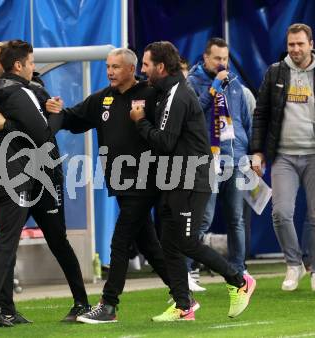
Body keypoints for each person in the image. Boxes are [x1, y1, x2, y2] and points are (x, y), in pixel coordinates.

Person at [47, 47, 188, 324]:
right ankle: (183, 297)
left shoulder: (152, 95)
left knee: (120, 241)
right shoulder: (103, 99)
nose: (110, 71)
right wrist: (55, 114)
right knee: (148, 245)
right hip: (120, 183)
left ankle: (109, 304)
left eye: (116, 67)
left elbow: (170, 132)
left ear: (131, 69)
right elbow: (73, 118)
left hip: (146, 179)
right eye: (108, 66)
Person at [0, 40, 90, 327]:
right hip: (18, 176)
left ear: (8, 63)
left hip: (41, 177)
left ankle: (81, 302)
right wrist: (21, 125)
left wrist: (11, 125)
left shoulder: (33, 90)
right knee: (6, 240)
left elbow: (43, 132)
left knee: (54, 240)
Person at [130, 41, 255, 321]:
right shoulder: (166, 92)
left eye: (146, 65)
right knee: (170, 244)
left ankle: (239, 280)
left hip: (191, 178)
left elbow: (165, 141)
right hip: (175, 178)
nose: (142, 70)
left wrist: (139, 122)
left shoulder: (179, 94)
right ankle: (183, 305)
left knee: (187, 242)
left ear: (160, 67)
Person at [251, 23, 315, 292]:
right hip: (283, 156)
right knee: (280, 212)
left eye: (300, 44)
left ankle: (313, 267)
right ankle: (293, 264)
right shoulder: (276, 72)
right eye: (291, 44)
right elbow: (261, 113)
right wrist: (257, 151)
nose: (296, 49)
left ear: (311, 44)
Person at [187, 38, 252, 279]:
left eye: (225, 58)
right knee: (203, 219)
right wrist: (213, 86)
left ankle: (238, 269)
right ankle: (189, 270)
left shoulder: (234, 83)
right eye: (217, 58)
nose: (222, 63)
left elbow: (245, 119)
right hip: (208, 160)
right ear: (205, 58)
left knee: (236, 218)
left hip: (235, 158)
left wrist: (253, 152)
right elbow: (193, 114)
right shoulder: (192, 82)